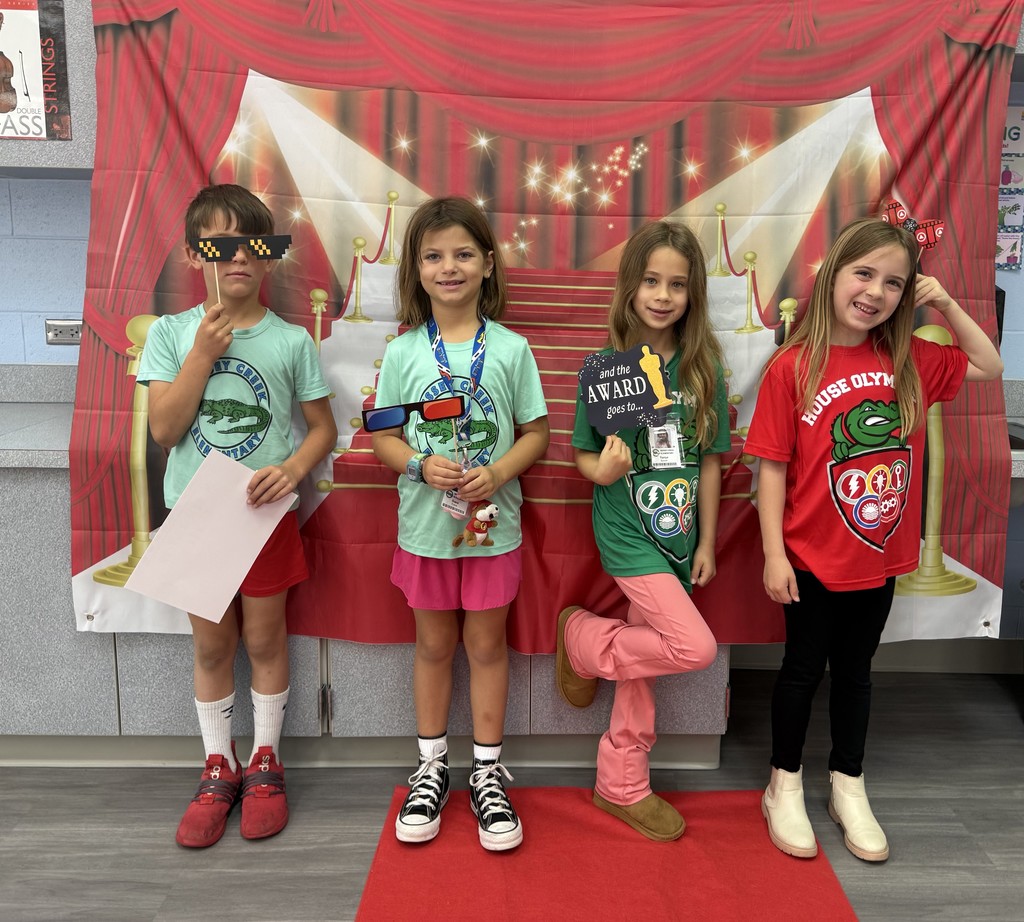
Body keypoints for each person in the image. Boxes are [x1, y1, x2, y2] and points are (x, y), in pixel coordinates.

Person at [744, 217, 1003, 862]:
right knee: (802, 671)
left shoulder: (909, 358)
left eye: (894, 282)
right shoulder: (791, 367)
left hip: (879, 554)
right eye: (864, 274)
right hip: (809, 557)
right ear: (833, 274)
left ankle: (848, 781)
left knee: (856, 674)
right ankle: (785, 781)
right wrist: (775, 554)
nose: (876, 292)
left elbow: (988, 365)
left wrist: (941, 301)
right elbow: (771, 467)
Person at [137, 184, 337, 848]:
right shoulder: (171, 334)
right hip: (197, 513)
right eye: (218, 246)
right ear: (198, 255)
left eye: (252, 244)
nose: (237, 259)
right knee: (212, 645)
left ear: (270, 256)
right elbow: (164, 431)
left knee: (265, 641)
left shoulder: (289, 341)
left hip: (265, 514)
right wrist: (201, 354)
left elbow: (320, 430)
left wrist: (293, 469)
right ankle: (217, 764)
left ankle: (266, 761)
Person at [370, 197, 549, 851]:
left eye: (463, 254)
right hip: (426, 528)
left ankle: (486, 772)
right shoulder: (400, 353)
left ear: (488, 264)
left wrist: (498, 473)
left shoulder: (511, 349)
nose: (449, 267)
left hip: (492, 526)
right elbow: (381, 439)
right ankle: (431, 768)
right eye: (434, 255)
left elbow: (537, 432)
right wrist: (418, 464)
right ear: (416, 269)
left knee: (486, 647)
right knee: (433, 647)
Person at [557, 220, 727, 841]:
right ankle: (581, 640)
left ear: (692, 294)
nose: (662, 294)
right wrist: (601, 468)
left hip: (678, 539)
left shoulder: (703, 369)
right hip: (629, 534)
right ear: (630, 287)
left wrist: (706, 541)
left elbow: (710, 460)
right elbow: (582, 455)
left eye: (677, 284)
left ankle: (621, 783)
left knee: (643, 666)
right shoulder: (607, 368)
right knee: (693, 647)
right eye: (651, 280)